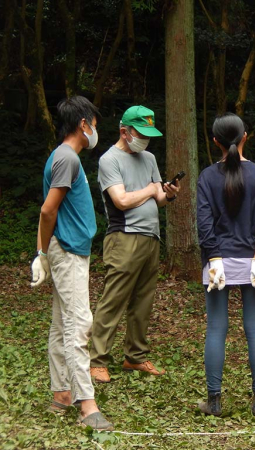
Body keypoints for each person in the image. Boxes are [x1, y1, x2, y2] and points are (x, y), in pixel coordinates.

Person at [30, 95, 113, 431]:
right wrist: (44, 253)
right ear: (83, 124)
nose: (96, 130)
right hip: (67, 251)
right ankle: (87, 405)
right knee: (79, 324)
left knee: (62, 323)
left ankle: (62, 394)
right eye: (94, 124)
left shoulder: (62, 157)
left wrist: (43, 253)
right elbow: (48, 210)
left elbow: (51, 211)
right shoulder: (68, 159)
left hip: (67, 249)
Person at [89, 105, 179, 383]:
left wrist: (169, 194)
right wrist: (153, 189)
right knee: (113, 300)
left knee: (143, 302)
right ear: (124, 132)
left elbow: (158, 199)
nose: (145, 140)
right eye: (140, 134)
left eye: (149, 135)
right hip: (123, 238)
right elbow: (122, 201)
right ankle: (97, 360)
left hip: (151, 238)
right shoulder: (109, 160)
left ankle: (135, 357)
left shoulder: (149, 157)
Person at [196, 113, 255, 417]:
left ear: (216, 141)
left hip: (218, 263)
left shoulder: (207, 176)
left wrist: (215, 259)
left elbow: (204, 224)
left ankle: (214, 401)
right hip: (252, 259)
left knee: (216, 327)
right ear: (245, 137)